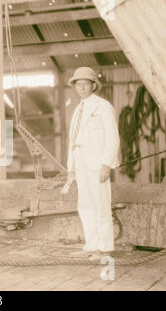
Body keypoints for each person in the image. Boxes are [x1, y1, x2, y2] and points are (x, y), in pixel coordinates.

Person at [65, 67, 120, 258]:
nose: (81, 88)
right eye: (78, 84)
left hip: (97, 166)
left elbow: (113, 138)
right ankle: (92, 246)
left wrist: (107, 164)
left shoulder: (103, 107)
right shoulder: (77, 110)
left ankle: (105, 249)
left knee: (101, 205)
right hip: (81, 166)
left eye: (85, 84)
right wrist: (70, 169)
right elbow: (72, 141)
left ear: (93, 85)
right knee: (85, 206)